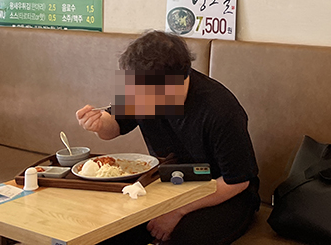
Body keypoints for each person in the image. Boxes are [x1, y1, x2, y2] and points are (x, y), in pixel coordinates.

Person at [76, 31, 260, 244]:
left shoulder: (220, 110)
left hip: (222, 192)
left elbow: (237, 181)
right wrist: (99, 124)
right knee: (109, 229)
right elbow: (114, 126)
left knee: (182, 237)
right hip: (170, 183)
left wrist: (177, 211)